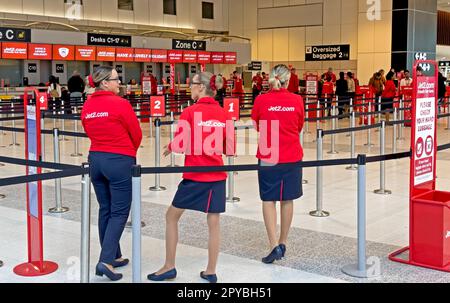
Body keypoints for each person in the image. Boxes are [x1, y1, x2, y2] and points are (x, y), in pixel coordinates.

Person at [148, 72, 233, 284]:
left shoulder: (189, 112)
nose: (190, 88)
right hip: (217, 176)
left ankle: (169, 266)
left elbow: (179, 144)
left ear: (202, 88)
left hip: (195, 175)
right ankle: (211, 270)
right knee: (213, 222)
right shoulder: (225, 114)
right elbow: (229, 148)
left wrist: (169, 146)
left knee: (171, 217)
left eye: (192, 84)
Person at [81, 66, 142, 281]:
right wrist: (127, 153)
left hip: (95, 160)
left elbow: (87, 130)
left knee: (105, 209)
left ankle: (112, 255)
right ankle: (105, 260)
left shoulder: (88, 106)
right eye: (117, 79)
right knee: (119, 212)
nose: (120, 83)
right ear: (105, 82)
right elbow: (136, 133)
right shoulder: (120, 104)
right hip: (119, 161)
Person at [251, 64, 305, 264]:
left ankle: (273, 244)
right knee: (287, 199)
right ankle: (283, 242)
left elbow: (256, 124)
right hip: (291, 154)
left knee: (268, 199)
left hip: (268, 153)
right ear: (288, 79)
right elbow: (299, 125)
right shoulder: (297, 100)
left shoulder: (261, 99)